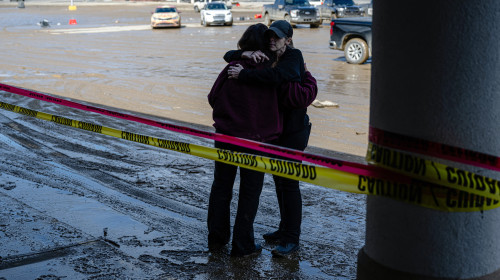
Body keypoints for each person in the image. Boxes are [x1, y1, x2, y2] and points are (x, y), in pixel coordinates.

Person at [207, 23, 317, 258]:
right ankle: (243, 244)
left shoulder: (242, 67)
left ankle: (219, 239)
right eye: (269, 38)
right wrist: (308, 78)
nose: (272, 42)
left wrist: (308, 78)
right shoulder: (267, 69)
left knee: (223, 187)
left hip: (235, 136)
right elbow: (289, 98)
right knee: (251, 192)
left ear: (287, 40)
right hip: (258, 140)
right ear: (263, 43)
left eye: (276, 38)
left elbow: (213, 96)